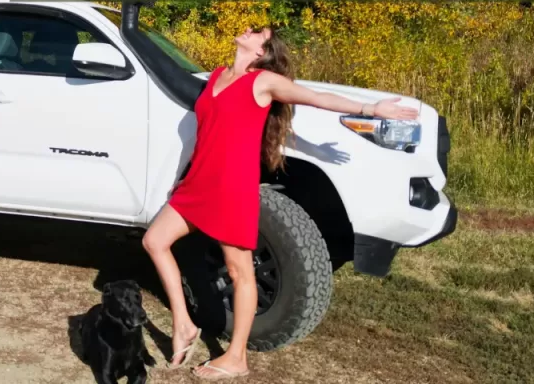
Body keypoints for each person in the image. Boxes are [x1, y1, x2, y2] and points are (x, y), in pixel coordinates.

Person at [141, 25, 419, 380]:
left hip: (230, 188)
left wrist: (371, 107)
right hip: (198, 183)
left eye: (257, 32)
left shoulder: (263, 81)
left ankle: (236, 357)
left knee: (240, 271)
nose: (248, 29)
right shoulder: (217, 77)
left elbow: (315, 97)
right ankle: (184, 323)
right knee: (155, 241)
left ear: (261, 51)